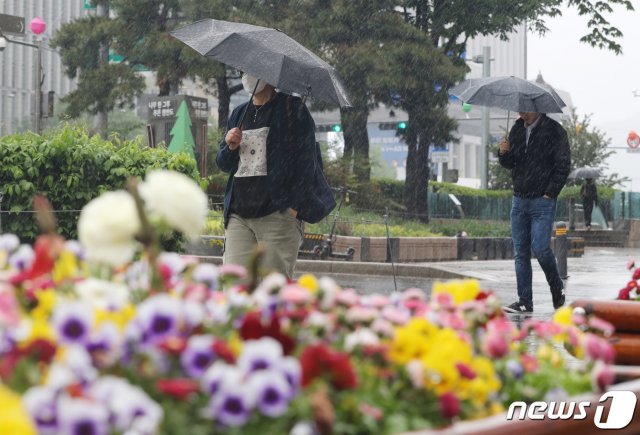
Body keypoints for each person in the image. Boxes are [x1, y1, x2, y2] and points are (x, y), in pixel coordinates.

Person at [217, 73, 335, 278]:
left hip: (277, 215)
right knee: (233, 286)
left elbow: (306, 164)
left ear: (269, 74)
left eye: (253, 71)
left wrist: (294, 207)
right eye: (244, 71)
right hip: (238, 214)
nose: (247, 76)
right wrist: (229, 146)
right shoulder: (239, 113)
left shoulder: (292, 108)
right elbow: (223, 163)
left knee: (273, 289)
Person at [498, 111, 571, 313]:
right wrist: (503, 153)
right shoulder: (517, 128)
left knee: (541, 247)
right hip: (519, 199)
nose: (521, 111)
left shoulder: (555, 130)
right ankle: (524, 301)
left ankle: (557, 288)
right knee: (520, 253)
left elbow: (563, 164)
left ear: (537, 107)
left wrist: (551, 191)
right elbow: (510, 163)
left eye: (525, 107)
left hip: (542, 200)